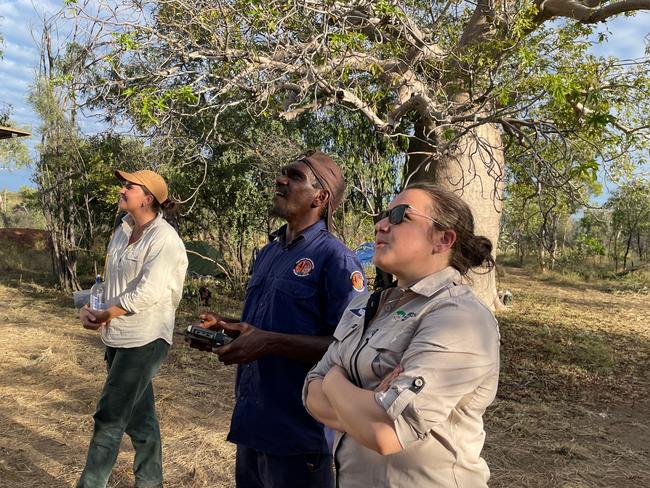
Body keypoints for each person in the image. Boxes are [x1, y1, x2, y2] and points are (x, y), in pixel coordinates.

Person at [303, 183, 500, 487]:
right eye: (383, 215)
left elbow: (385, 432)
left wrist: (333, 380)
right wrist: (365, 404)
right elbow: (310, 395)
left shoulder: (460, 317)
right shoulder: (366, 305)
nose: (381, 224)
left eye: (399, 216)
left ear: (442, 239)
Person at [194, 150, 366, 488]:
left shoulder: (337, 259)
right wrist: (226, 326)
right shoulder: (270, 252)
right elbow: (264, 326)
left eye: (295, 176)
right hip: (253, 422)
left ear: (321, 196)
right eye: (283, 173)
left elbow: (349, 348)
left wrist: (269, 342)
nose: (280, 180)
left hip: (300, 432)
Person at [78, 169, 188, 488]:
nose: (122, 190)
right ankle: (150, 482)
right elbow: (112, 283)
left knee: (109, 417)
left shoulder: (164, 239)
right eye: (123, 185)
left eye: (129, 186)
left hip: (145, 339)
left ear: (148, 198)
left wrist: (107, 314)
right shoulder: (123, 230)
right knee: (141, 420)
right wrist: (91, 307)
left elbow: (147, 292)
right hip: (117, 336)